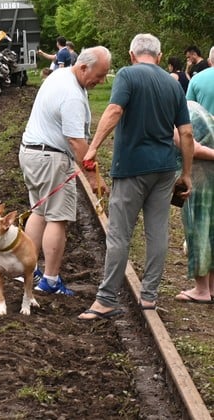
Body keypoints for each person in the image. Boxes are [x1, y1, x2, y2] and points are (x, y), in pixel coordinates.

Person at [79, 34, 194, 320]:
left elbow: (115, 110)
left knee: (119, 233)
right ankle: (149, 296)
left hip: (131, 167)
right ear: (159, 55)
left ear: (131, 55)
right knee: (157, 232)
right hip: (164, 169)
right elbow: (186, 133)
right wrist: (187, 174)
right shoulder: (173, 83)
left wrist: (92, 148)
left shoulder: (128, 75)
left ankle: (105, 299)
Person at [19, 46, 112, 296]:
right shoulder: (72, 96)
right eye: (99, 75)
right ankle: (50, 280)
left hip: (32, 152)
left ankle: (29, 269)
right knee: (57, 218)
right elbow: (76, 141)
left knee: (39, 211)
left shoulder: (59, 76)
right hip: (51, 159)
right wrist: (93, 177)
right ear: (83, 67)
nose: (102, 81)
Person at [174, 101, 214, 303]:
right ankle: (212, 287)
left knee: (197, 230)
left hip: (198, 175)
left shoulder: (172, 114)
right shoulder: (193, 106)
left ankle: (201, 290)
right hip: (211, 176)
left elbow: (191, 147)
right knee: (211, 230)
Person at [186, 46, 214, 112]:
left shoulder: (196, 78)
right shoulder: (193, 68)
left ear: (209, 61)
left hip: (206, 117)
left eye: (189, 57)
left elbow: (189, 108)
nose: (188, 59)